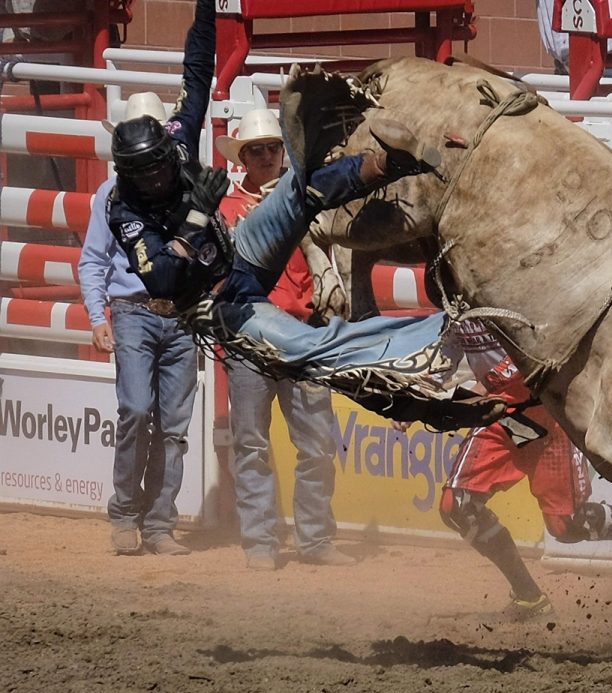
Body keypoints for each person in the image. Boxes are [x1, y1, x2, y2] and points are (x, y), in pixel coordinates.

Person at [104, 3, 504, 433]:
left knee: (300, 191)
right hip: (218, 305)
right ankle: (427, 372)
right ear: (129, 175)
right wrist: (195, 218)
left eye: (161, 167)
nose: (158, 178)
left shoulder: (177, 141)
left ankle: (383, 164)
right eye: (147, 175)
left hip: (238, 253)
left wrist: (206, 7)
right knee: (313, 346)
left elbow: (197, 70)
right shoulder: (124, 210)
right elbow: (163, 280)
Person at [431, 320, 612, 621]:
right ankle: (529, 599)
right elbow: (446, 351)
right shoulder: (451, 295)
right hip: (501, 414)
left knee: (564, 526)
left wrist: (480, 390)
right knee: (458, 505)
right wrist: (417, 394)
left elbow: (544, 342)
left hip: (548, 413)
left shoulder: (509, 284)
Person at [215, 108, 348, 570]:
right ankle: (262, 541)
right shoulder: (228, 210)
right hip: (252, 338)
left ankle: (308, 540)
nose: (268, 156)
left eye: (274, 147)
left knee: (315, 444)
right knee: (252, 444)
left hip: (299, 334)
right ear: (244, 158)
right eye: (258, 150)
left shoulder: (303, 200)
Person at [79, 89, 198, 556]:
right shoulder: (112, 196)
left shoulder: (181, 188)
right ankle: (131, 514)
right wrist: (97, 316)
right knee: (137, 409)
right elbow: (93, 260)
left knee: (170, 424)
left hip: (176, 314)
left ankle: (155, 523)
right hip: (134, 311)